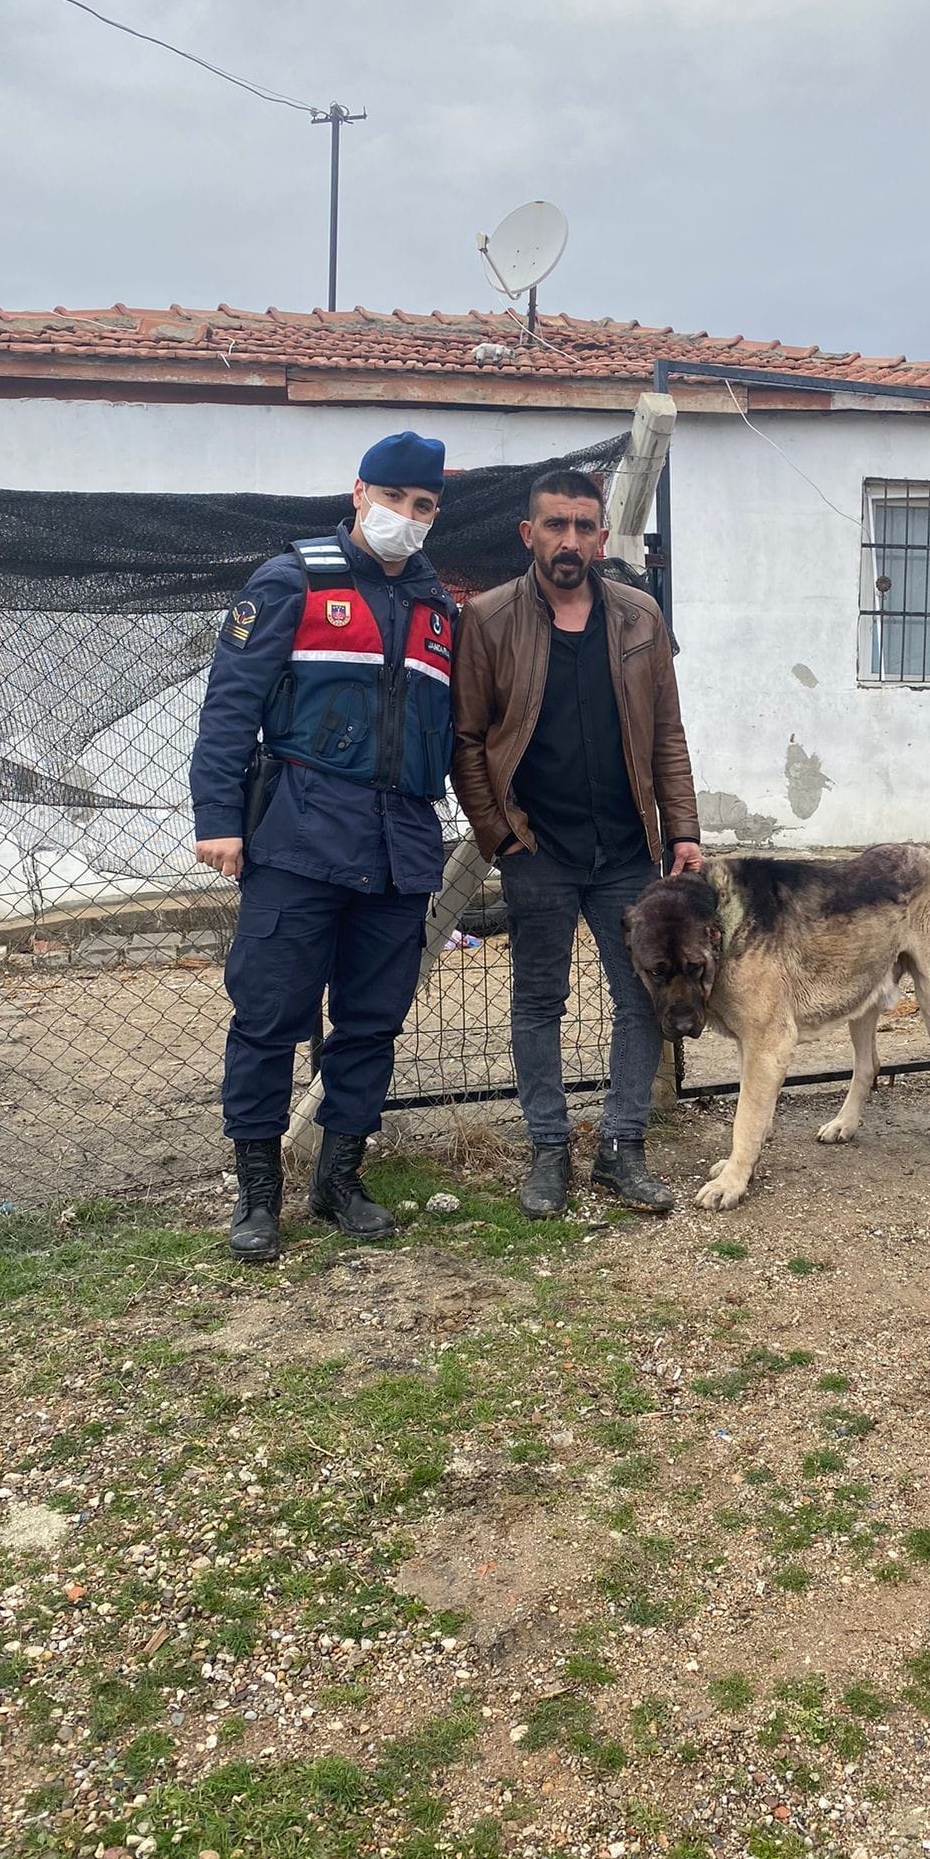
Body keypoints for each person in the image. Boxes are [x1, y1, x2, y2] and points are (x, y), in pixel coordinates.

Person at [189, 432, 455, 1262]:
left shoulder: (438, 610)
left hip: (401, 848)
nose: (406, 521)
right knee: (269, 1020)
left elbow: (454, 730)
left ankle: (339, 1179)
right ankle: (258, 1197)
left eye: (424, 509)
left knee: (372, 1025)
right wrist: (217, 819)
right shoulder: (292, 580)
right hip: (299, 841)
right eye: (396, 501)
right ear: (358, 492)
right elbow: (230, 707)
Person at [451, 468, 701, 1217]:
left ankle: (621, 1149)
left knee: (642, 998)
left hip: (629, 850)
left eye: (582, 526)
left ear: (601, 535)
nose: (569, 541)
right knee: (539, 1001)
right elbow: (465, 741)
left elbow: (667, 735)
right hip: (540, 850)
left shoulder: (639, 617)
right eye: (554, 526)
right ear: (529, 534)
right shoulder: (489, 618)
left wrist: (682, 829)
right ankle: (549, 1150)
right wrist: (500, 836)